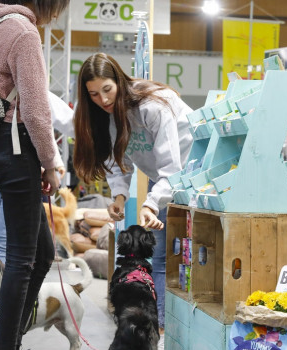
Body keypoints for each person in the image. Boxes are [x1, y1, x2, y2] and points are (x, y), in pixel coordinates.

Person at [73, 52, 194, 334]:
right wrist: (119, 197)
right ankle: (161, 331)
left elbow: (172, 167)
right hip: (161, 178)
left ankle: (182, 328)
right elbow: (120, 162)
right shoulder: (105, 116)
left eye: (107, 89)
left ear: (118, 81)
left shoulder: (153, 106)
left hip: (191, 171)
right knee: (161, 256)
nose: (102, 99)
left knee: (193, 252)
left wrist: (151, 204)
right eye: (93, 94)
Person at [0, 0, 69, 348]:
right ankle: (7, 343)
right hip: (16, 148)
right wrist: (50, 162)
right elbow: (35, 111)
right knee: (21, 260)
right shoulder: (22, 32)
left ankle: (11, 334)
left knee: (43, 254)